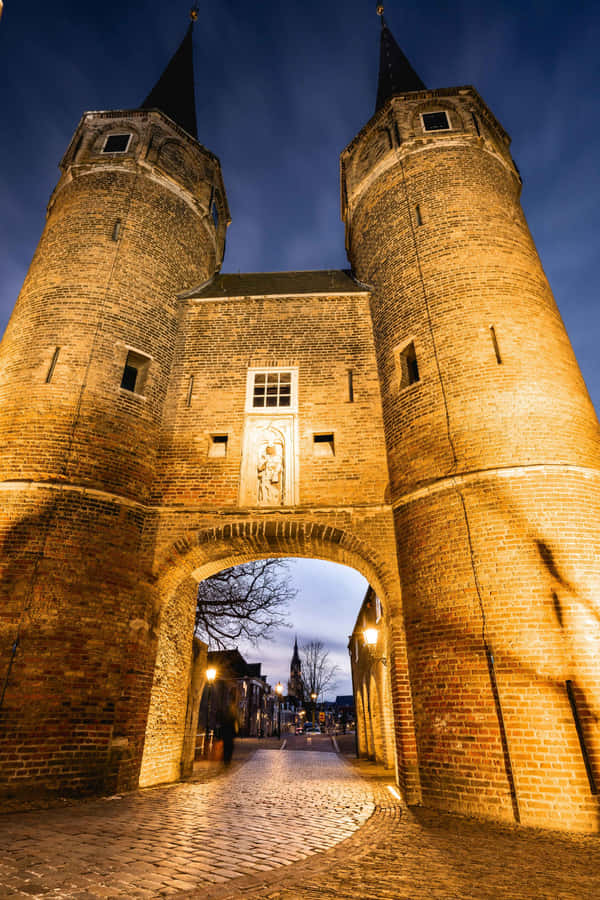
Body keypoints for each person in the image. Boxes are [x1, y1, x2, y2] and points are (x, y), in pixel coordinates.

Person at [221, 700, 239, 765]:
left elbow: (222, 724)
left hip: (226, 734)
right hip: (230, 734)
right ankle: (227, 759)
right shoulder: (233, 717)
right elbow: (236, 725)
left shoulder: (226, 716)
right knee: (230, 746)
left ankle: (225, 758)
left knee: (226, 746)